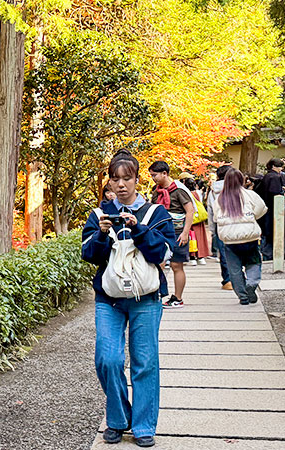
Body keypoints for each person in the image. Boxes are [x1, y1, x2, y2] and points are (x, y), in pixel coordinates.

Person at [82, 150, 174, 448]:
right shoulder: (99, 215)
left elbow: (162, 254)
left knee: (144, 362)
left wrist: (139, 229)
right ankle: (118, 419)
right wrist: (101, 235)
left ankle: (143, 425)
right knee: (108, 359)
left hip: (145, 297)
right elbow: (88, 255)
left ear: (137, 180)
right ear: (109, 181)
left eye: (127, 178)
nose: (121, 184)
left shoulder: (154, 214)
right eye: (115, 178)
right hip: (108, 298)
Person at [212, 168, 268, 305]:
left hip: (230, 240)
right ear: (242, 180)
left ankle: (242, 296)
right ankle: (251, 284)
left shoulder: (219, 199)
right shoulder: (249, 195)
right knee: (254, 263)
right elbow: (262, 209)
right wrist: (251, 218)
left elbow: (215, 218)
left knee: (234, 269)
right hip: (249, 236)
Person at [149, 161, 196, 308]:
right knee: (158, 263)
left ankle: (178, 298)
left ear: (165, 173)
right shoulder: (156, 191)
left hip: (177, 232)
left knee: (177, 265)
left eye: (155, 175)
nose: (153, 178)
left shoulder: (179, 190)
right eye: (151, 175)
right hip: (159, 232)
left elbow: (190, 211)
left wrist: (185, 232)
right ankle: (155, 293)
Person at [256, 158, 285, 261]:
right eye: (279, 166)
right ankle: (282, 252)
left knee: (268, 232)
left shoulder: (267, 177)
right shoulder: (275, 177)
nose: (281, 169)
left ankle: (267, 253)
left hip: (267, 209)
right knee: (280, 231)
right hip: (276, 208)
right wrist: (283, 192)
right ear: (273, 166)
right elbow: (276, 193)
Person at [207, 165, 233, 290]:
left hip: (220, 222)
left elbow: (210, 210)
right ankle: (240, 277)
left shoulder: (213, 190)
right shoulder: (237, 187)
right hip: (237, 221)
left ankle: (228, 280)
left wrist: (212, 229)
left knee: (224, 252)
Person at [181, 176, 210, 266]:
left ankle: (192, 256)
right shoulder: (198, 193)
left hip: (190, 218)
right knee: (199, 237)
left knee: (191, 237)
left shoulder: (185, 194)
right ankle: (201, 256)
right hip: (199, 217)